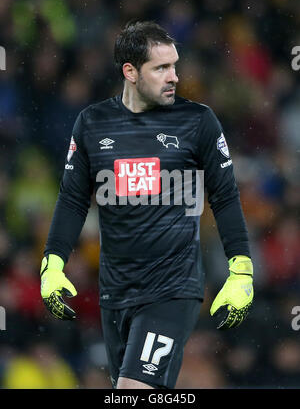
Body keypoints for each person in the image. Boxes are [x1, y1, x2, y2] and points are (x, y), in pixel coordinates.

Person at [40, 21, 254, 389]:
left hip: (173, 289)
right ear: (130, 72)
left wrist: (242, 268)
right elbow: (73, 198)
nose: (174, 76)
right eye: (161, 68)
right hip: (115, 292)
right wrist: (53, 261)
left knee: (133, 391)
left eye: (174, 66)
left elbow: (225, 195)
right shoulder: (92, 123)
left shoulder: (197, 121)